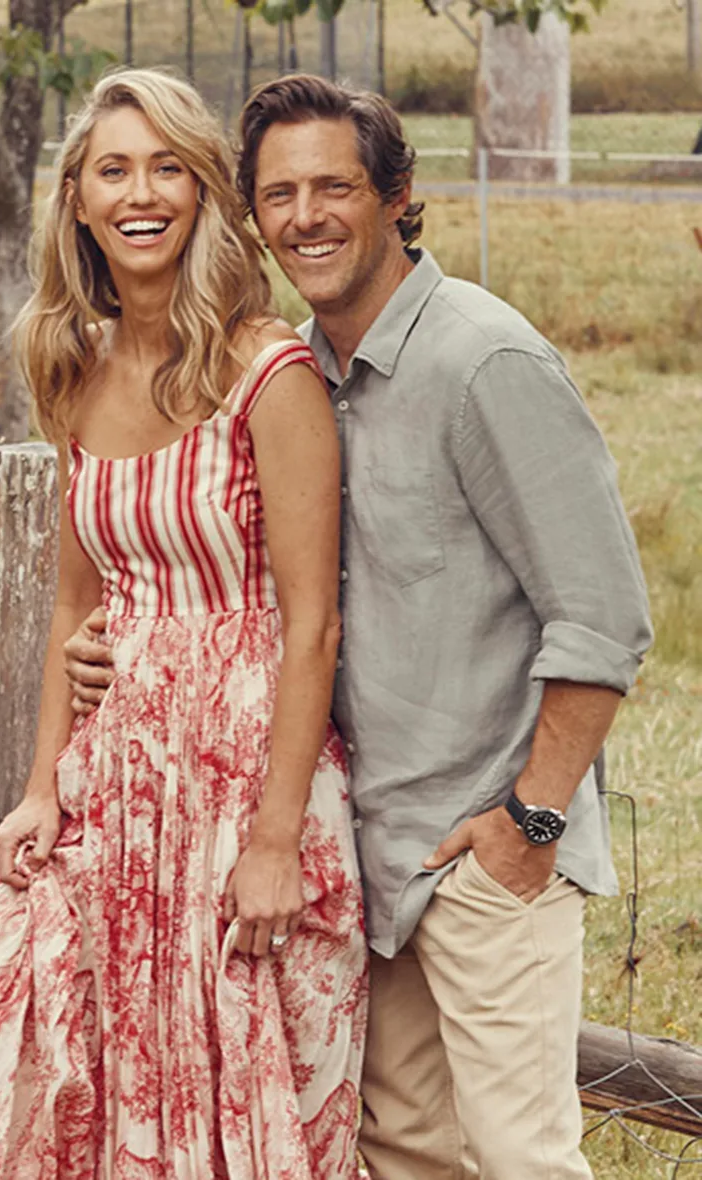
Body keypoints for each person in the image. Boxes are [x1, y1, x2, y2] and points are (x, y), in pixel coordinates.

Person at [64, 75, 654, 1179]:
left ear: (395, 195)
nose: (305, 217)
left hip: (483, 844)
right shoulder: (300, 366)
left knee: (521, 1157)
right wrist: (114, 643)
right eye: (278, 194)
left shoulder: (484, 360)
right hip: (367, 853)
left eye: (333, 186)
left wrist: (527, 823)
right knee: (400, 1155)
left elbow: (605, 615)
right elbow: (251, 579)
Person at [0, 69, 366, 1179]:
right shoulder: (73, 368)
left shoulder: (270, 371)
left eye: (167, 166)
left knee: (247, 1099)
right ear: (77, 198)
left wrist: (272, 846)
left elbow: (313, 625)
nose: (141, 192)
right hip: (119, 783)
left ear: (206, 190)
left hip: (247, 783)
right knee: (62, 1056)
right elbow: (76, 597)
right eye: (114, 169)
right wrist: (38, 783)